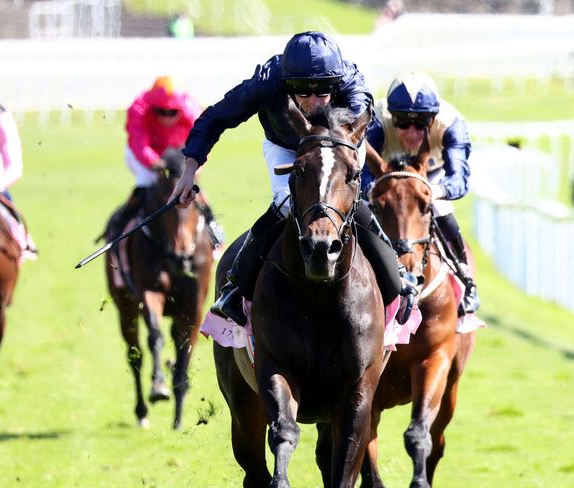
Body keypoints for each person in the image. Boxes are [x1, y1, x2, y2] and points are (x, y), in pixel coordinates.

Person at [170, 30, 417, 326]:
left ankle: (397, 279)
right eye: (303, 91)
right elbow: (215, 118)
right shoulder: (268, 81)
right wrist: (188, 172)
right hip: (286, 146)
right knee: (288, 203)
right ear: (288, 84)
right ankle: (235, 286)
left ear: (335, 83)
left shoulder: (350, 83)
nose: (313, 101)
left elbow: (360, 122)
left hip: (340, 145)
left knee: (345, 202)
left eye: (322, 91)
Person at [362, 72, 480, 315]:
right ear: (391, 116)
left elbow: (459, 178)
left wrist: (434, 191)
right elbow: (361, 169)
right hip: (386, 176)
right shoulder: (376, 120)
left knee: (441, 208)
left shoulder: (451, 123)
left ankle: (465, 277)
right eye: (403, 123)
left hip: (430, 175)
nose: (412, 132)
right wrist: (371, 190)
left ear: (433, 118)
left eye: (421, 124)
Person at [105, 75, 222, 247]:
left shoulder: (191, 109)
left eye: (173, 112)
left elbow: (203, 141)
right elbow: (139, 144)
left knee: (192, 186)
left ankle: (212, 225)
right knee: (147, 182)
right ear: (152, 107)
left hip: (178, 153)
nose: (167, 118)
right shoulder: (138, 108)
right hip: (145, 155)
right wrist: (154, 163)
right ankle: (120, 224)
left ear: (181, 108)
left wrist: (192, 169)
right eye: (160, 112)